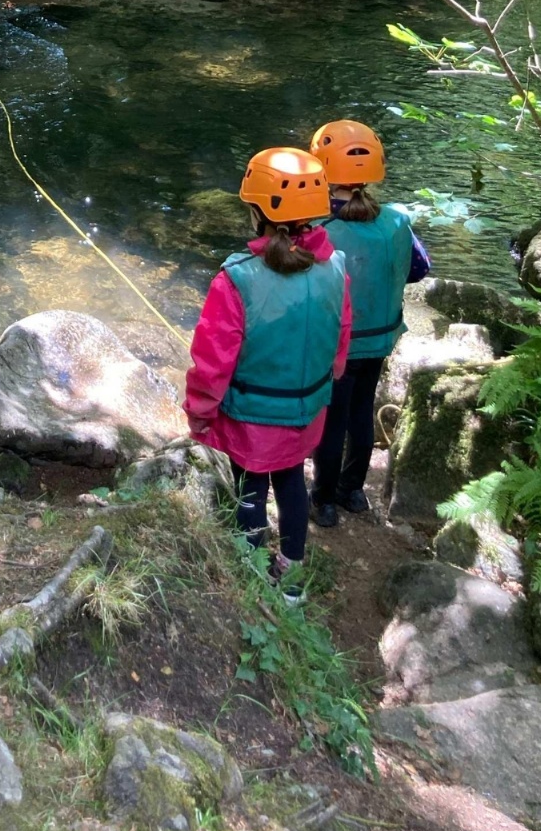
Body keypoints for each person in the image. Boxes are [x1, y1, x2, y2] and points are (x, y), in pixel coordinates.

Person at [184, 147, 352, 600]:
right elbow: (341, 337)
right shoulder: (335, 266)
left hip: (252, 418)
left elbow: (212, 361)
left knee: (251, 487)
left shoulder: (235, 279)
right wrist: (329, 379)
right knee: (292, 479)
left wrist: (199, 412)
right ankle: (291, 579)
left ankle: (252, 573)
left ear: (257, 212)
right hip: (307, 410)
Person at [308, 120, 430, 527]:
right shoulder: (395, 221)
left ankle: (324, 500)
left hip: (337, 345)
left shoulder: (317, 228)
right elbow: (419, 269)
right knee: (361, 411)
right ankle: (353, 491)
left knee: (333, 419)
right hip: (379, 338)